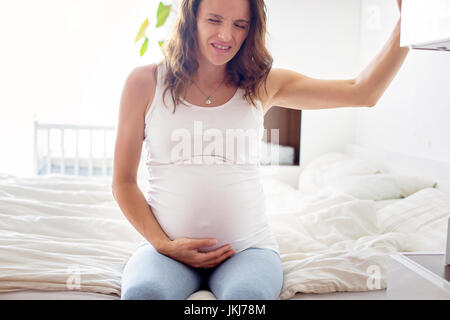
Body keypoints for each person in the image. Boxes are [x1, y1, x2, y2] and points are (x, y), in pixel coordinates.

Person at [112, 0, 408, 300]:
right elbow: (123, 182)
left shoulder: (263, 84)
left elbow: (364, 91)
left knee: (246, 301)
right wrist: (164, 245)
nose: (226, 36)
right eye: (214, 20)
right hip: (167, 252)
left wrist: (407, 22)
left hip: (247, 250)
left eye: (239, 25)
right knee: (142, 296)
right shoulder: (145, 82)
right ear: (191, 20)